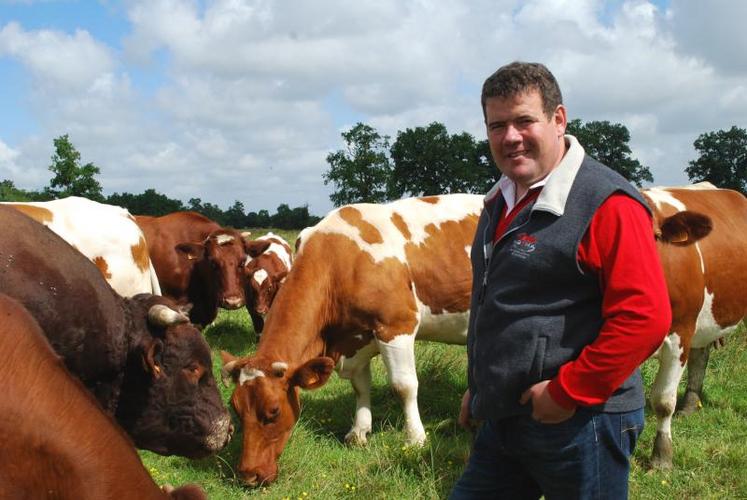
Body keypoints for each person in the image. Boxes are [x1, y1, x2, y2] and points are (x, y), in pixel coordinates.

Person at [450, 62, 671, 499]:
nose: (510, 136)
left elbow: (645, 317)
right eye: (497, 125)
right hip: (507, 416)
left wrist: (570, 391)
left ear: (558, 120)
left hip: (582, 420)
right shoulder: (501, 198)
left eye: (523, 120)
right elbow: (497, 303)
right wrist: (480, 387)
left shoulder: (607, 202)